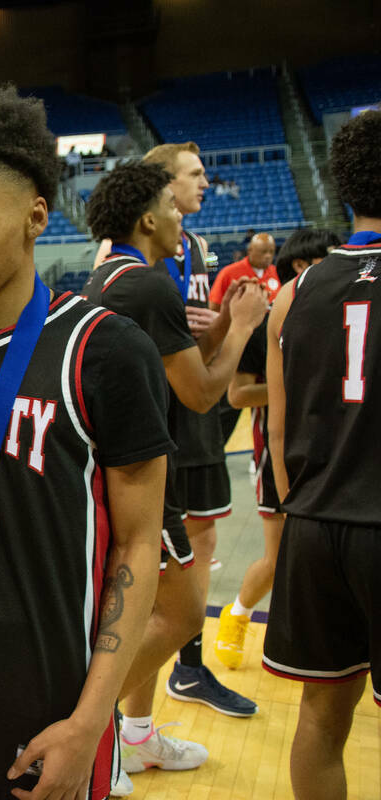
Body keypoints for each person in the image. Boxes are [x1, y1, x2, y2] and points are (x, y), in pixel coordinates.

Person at [0, 87, 169, 800]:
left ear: (35, 218)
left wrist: (90, 722)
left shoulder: (106, 350)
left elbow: (139, 547)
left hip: (51, 722)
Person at [82, 161, 269, 777]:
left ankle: (128, 736)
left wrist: (214, 331)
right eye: (173, 199)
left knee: (137, 616)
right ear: (147, 218)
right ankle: (84, 728)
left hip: (109, 474)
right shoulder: (150, 285)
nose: (182, 213)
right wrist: (241, 328)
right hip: (140, 481)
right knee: (185, 614)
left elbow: (175, 368)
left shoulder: (108, 279)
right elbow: (203, 393)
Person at [263, 109, 381, 800]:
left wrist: (293, 513)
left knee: (322, 714)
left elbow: (278, 430)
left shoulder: (295, 291)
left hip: (314, 526)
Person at [140, 141, 259, 719]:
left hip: (197, 410)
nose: (206, 181)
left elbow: (190, 340)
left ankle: (187, 666)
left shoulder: (198, 247)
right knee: (161, 559)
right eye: (195, 173)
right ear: (163, 187)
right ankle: (127, 697)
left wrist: (218, 328)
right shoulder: (136, 250)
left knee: (204, 541)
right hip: (158, 414)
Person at [214, 228, 341, 670]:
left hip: (331, 450)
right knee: (280, 556)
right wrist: (292, 387)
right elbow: (237, 397)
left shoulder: (341, 315)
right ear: (303, 266)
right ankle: (237, 615)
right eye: (328, 259)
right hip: (277, 453)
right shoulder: (269, 322)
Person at [210, 232, 279, 309]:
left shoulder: (277, 272)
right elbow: (214, 306)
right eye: (263, 251)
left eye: (271, 252)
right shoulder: (228, 273)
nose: (268, 256)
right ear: (250, 250)